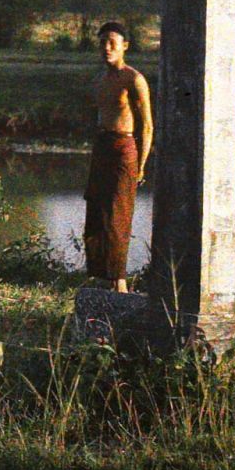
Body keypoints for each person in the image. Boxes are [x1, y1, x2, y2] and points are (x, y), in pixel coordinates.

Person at [85, 20, 152, 293]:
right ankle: (100, 276)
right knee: (95, 210)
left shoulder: (134, 79)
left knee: (117, 215)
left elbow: (147, 125)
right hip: (103, 145)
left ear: (125, 46)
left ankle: (119, 282)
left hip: (125, 149)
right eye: (102, 42)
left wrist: (141, 165)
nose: (107, 47)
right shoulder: (100, 79)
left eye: (112, 42)